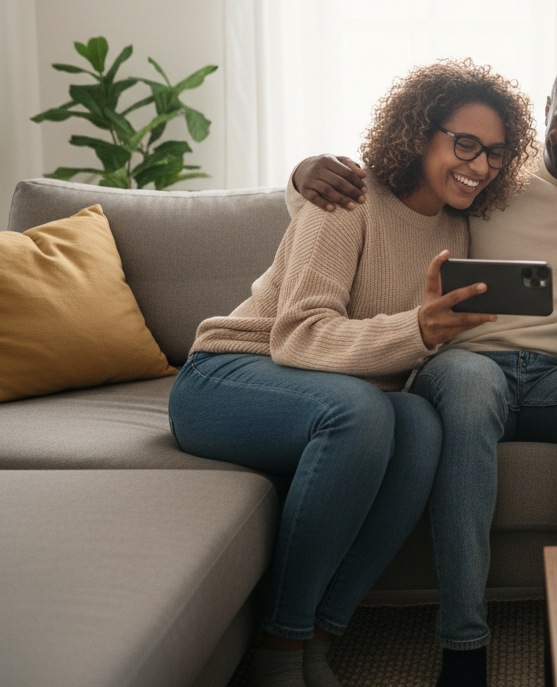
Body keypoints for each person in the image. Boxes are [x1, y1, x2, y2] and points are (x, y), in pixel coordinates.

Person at [288, 53, 557, 687]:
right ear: (545, 112)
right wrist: (301, 173)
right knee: (465, 383)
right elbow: (395, 182)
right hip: (469, 362)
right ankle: (463, 647)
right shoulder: (492, 177)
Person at [168, 59, 537, 687]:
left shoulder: (456, 226)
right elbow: (297, 335)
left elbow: (407, 354)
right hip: (228, 376)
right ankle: (278, 648)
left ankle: (319, 635)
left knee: (419, 423)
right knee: (361, 412)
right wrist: (416, 330)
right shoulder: (346, 198)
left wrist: (440, 335)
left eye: (495, 154)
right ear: (420, 132)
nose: (479, 166)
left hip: (332, 396)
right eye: (465, 143)